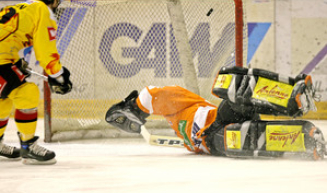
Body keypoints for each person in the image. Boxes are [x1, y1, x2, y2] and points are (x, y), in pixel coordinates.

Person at [106, 66, 326, 160]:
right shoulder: (177, 128)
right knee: (245, 138)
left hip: (220, 118)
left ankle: (291, 95)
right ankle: (305, 142)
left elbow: (152, 93)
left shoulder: (178, 100)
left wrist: (132, 108)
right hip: (214, 141)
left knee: (233, 88)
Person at [0, 0, 72, 165]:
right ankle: (28, 146)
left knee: (5, 98)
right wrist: (58, 75)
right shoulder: (43, 11)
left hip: (3, 59)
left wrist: (14, 61)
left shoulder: (23, 7)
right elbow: (45, 50)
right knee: (28, 93)